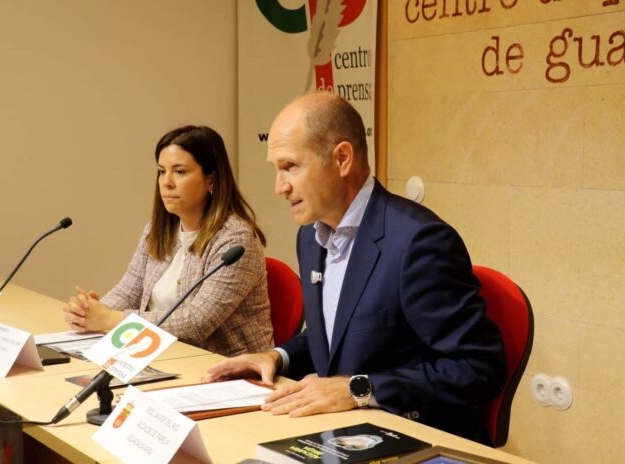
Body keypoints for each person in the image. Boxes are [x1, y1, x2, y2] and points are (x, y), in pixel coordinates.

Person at [203, 93, 506, 443]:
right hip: (343, 433)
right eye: (277, 169)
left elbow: (478, 368)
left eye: (291, 167)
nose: (279, 187)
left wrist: (358, 389)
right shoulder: (310, 236)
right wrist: (277, 357)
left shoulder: (419, 242)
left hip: (415, 436)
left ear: (342, 159)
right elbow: (339, 336)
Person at [63, 125, 274, 357]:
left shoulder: (236, 239)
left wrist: (109, 318)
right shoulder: (159, 229)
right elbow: (129, 290)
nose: (167, 182)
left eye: (180, 172)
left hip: (225, 366)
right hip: (161, 355)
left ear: (211, 180)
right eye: (162, 171)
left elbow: (195, 323)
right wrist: (88, 311)